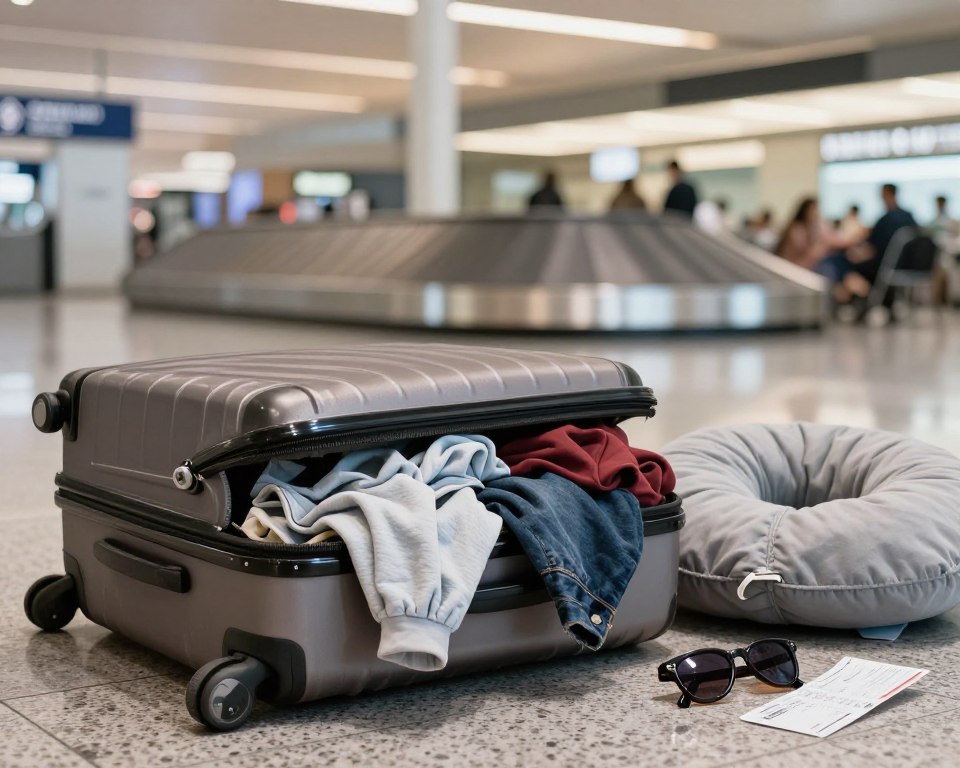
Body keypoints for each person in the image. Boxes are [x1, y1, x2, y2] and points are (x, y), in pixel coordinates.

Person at [775, 197, 849, 271]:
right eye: (814, 210)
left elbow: (835, 240)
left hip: (804, 265)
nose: (816, 213)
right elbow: (809, 253)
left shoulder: (814, 226)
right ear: (805, 211)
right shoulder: (796, 229)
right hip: (793, 266)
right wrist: (824, 244)